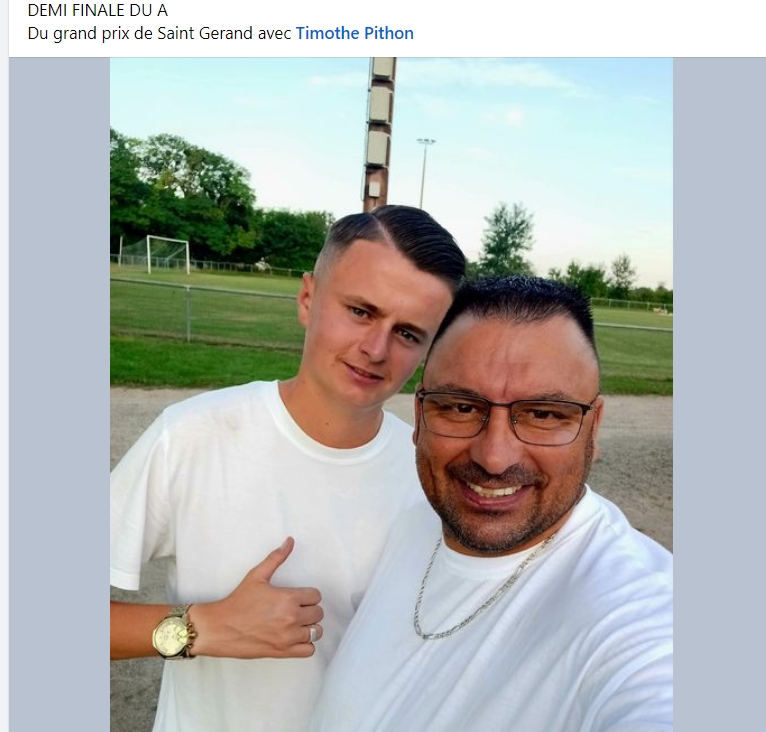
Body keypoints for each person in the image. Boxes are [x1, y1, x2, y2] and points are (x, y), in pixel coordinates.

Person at [110, 204, 466, 732]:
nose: (376, 349)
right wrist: (200, 628)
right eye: (360, 311)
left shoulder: (432, 480)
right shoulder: (192, 436)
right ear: (307, 298)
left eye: (408, 333)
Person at [309, 275, 673, 731]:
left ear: (593, 428)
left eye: (543, 414)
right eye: (461, 407)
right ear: (419, 416)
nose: (494, 457)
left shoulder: (642, 616)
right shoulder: (416, 520)